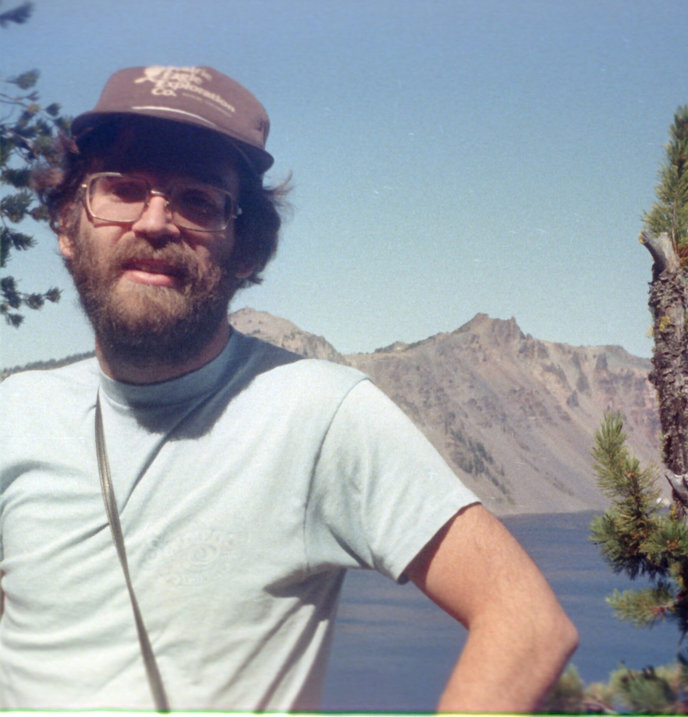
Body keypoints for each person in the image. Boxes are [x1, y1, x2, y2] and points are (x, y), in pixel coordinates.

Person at [0, 65, 577, 711]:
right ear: (65, 225)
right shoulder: (14, 414)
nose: (155, 221)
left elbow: (526, 622)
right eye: (122, 188)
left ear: (245, 249)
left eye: (196, 198)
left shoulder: (319, 413)